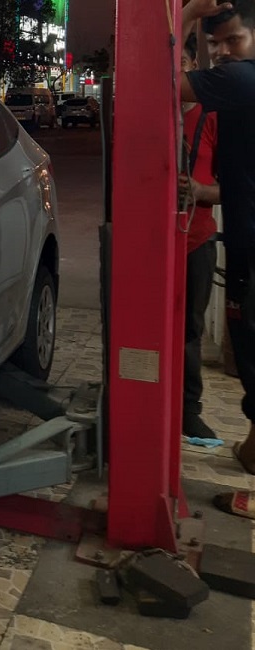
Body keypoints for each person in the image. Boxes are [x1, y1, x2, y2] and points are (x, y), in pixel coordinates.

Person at [180, 0, 255, 515]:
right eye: (214, 45)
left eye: (234, 40)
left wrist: (185, 14)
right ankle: (251, 452)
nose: (224, 52)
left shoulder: (239, 83)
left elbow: (157, 86)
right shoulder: (231, 98)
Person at [179, 32, 221, 440]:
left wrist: (199, 191)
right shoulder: (147, 118)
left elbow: (235, 185)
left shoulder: (212, 117)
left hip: (197, 240)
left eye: (181, 65)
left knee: (190, 329)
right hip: (151, 243)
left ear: (193, 68)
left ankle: (189, 408)